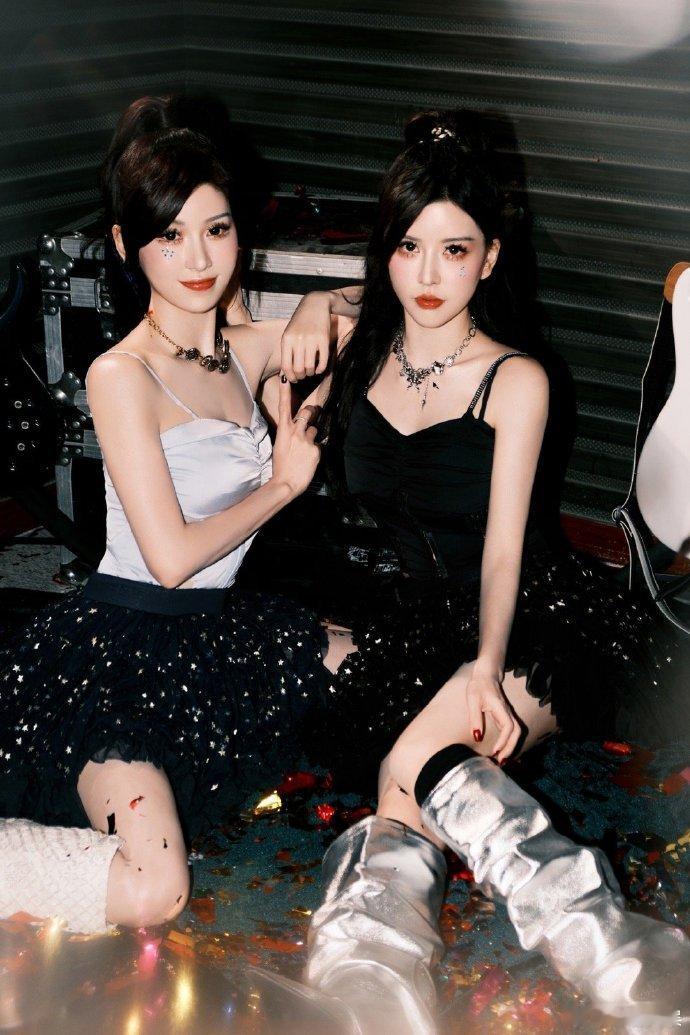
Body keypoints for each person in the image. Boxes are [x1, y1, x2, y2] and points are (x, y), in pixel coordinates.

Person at [255, 109, 690, 1032]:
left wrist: (486, 664)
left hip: (528, 617)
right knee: (353, 726)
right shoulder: (360, 344)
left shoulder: (516, 378)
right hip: (410, 616)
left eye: (454, 251)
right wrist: (314, 302)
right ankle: (376, 988)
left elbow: (503, 546)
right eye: (408, 247)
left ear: (489, 259)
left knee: (408, 768)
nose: (426, 275)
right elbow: (210, 332)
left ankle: (613, 959)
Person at [0, 116, 351, 934]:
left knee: (384, 681)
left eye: (216, 230)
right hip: (121, 645)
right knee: (156, 888)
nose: (199, 259)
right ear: (127, 246)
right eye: (171, 235)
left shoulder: (246, 349)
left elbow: (380, 309)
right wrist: (285, 482)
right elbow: (168, 559)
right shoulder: (121, 372)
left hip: (221, 628)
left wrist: (321, 303)